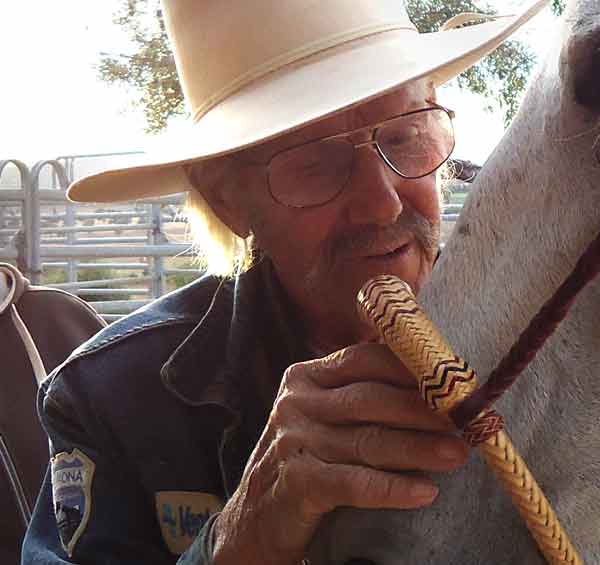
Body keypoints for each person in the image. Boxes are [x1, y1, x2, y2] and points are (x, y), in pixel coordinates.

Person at [20, 1, 541, 563]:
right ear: (227, 200)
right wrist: (241, 536)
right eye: (315, 162)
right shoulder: (115, 400)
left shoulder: (554, 338)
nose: (382, 203)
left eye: (405, 137)